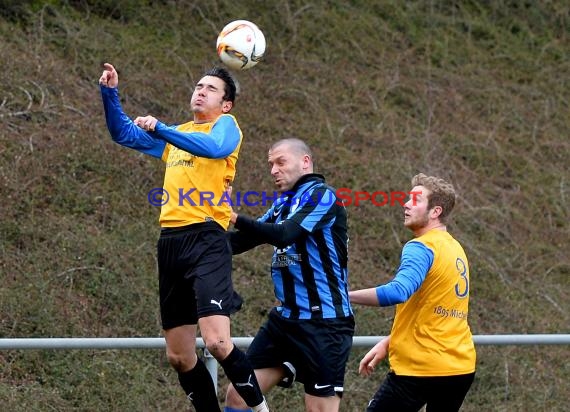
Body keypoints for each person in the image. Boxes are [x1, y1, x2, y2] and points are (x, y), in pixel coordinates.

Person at [98, 63, 268, 412]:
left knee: (219, 342)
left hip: (207, 238)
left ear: (226, 104)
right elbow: (123, 134)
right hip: (171, 242)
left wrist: (161, 128)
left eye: (211, 89)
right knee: (179, 356)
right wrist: (110, 94)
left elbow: (212, 149)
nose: (201, 91)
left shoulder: (226, 127)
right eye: (198, 85)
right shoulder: (176, 135)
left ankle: (261, 410)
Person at [223, 138, 354, 412]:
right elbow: (240, 241)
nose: (273, 170)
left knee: (318, 409)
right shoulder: (284, 204)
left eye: (280, 162)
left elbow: (285, 234)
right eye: (270, 164)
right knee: (238, 395)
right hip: (284, 322)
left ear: (305, 162)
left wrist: (233, 215)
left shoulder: (323, 196)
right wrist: (195, 236)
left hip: (324, 324)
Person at [349, 173, 476, 412]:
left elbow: (397, 292)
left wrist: (342, 295)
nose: (406, 204)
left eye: (416, 200)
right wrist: (389, 342)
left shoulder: (421, 247)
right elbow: (435, 314)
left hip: (422, 369)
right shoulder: (455, 248)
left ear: (435, 211)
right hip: (459, 367)